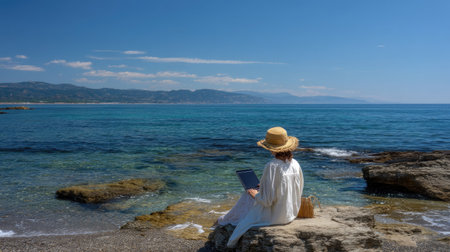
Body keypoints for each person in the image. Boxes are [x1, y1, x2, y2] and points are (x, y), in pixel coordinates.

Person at [217, 126, 304, 248]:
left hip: (276, 216)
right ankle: (226, 219)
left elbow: (267, 202)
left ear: (271, 148)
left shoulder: (272, 166)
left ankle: (225, 227)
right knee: (253, 192)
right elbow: (297, 189)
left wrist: (254, 194)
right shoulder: (295, 163)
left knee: (247, 195)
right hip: (290, 213)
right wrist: (264, 185)